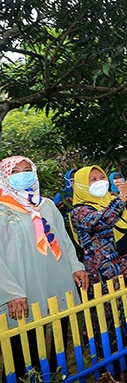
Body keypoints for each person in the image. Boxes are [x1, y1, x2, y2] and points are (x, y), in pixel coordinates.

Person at [0, 156, 89, 380]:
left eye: (27, 169)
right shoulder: (1, 210)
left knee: (57, 341)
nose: (23, 174)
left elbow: (64, 240)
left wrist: (76, 266)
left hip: (56, 282)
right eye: (15, 171)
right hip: (23, 290)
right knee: (22, 350)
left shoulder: (46, 205)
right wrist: (11, 292)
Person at [70, 165, 127, 381]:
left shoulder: (114, 199)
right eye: (92, 179)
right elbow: (102, 221)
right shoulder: (79, 211)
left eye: (101, 177)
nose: (98, 181)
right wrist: (122, 197)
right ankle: (110, 372)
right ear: (82, 185)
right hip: (104, 274)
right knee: (108, 321)